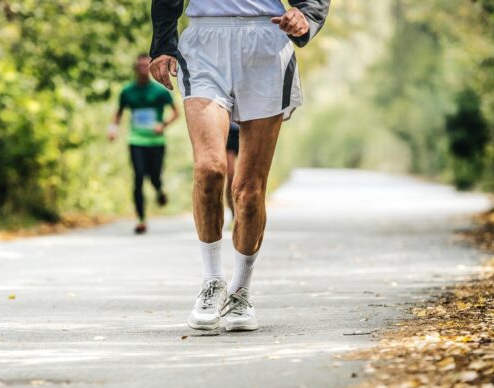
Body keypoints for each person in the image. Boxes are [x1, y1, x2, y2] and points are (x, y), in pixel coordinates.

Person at [150, 0, 330, 331]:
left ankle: (241, 291)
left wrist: (305, 14)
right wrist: (162, 45)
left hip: (266, 40)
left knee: (248, 192)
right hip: (205, 42)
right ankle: (212, 281)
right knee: (210, 168)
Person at [109, 54, 180, 235]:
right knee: (139, 177)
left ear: (149, 68)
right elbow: (118, 113)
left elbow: (176, 113)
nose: (142, 69)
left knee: (154, 176)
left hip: (156, 141)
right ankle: (141, 219)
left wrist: (162, 125)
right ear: (135, 68)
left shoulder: (160, 91)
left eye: (145, 66)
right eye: (139, 66)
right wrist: (113, 129)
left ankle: (159, 190)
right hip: (136, 140)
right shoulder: (127, 91)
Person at [225, 122, 240, 220]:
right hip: (229, 134)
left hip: (248, 129)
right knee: (231, 176)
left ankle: (243, 212)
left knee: (248, 178)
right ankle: (233, 213)